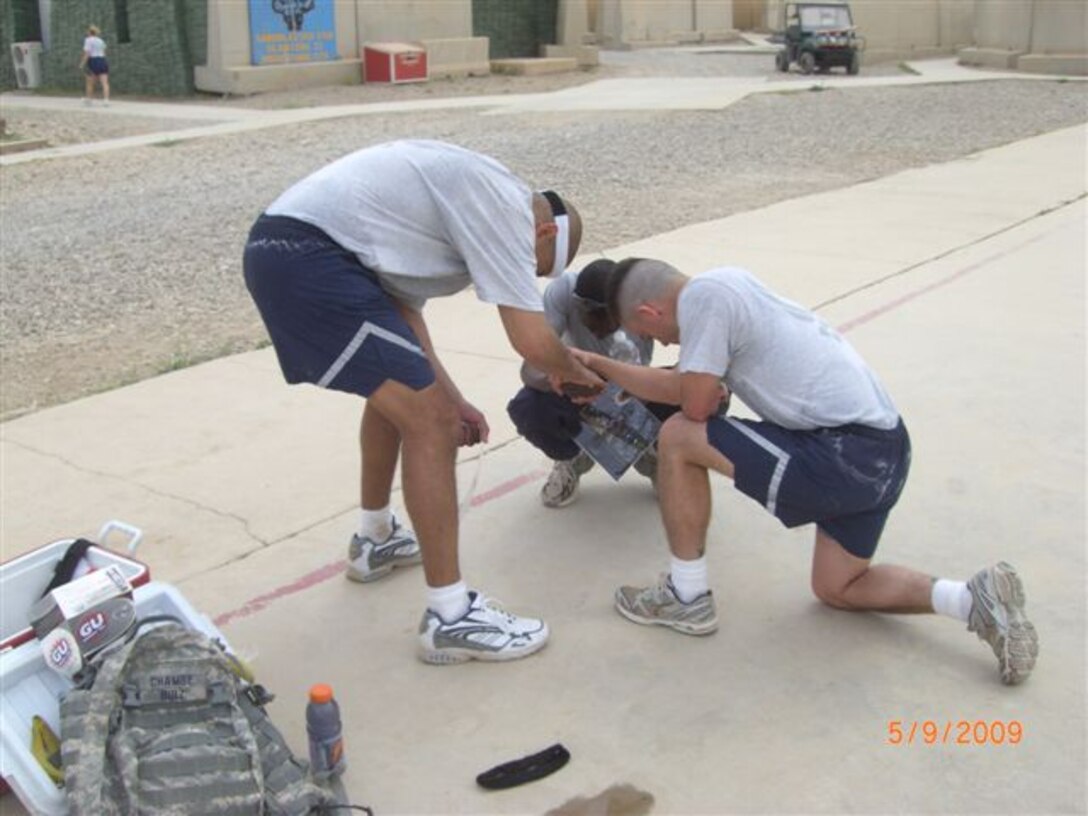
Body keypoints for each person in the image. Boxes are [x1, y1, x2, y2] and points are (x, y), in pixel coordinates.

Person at [573, 257, 1039, 685]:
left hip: (844, 453)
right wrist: (607, 370)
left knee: (678, 436)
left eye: (651, 333)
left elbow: (695, 404)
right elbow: (692, 386)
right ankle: (972, 598)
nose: (664, 343)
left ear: (650, 312)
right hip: (886, 452)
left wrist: (606, 369)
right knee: (839, 586)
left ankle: (686, 595)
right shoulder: (728, 287)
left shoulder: (705, 301)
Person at [243, 140, 603, 665]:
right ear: (544, 233)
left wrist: (454, 399)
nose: (528, 276)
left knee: (406, 401)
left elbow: (406, 327)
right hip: (306, 258)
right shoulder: (504, 204)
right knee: (429, 426)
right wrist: (576, 373)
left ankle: (375, 539)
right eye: (539, 265)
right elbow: (530, 339)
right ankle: (449, 617)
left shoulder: (458, 217)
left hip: (295, 250)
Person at [507, 258, 676, 507]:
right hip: (573, 380)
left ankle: (650, 452)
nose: (597, 326)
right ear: (577, 304)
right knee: (528, 408)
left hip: (625, 387)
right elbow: (531, 370)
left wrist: (604, 390)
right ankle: (572, 457)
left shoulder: (638, 314)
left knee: (703, 395)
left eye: (606, 318)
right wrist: (571, 376)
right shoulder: (564, 291)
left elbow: (640, 387)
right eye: (590, 315)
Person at [80, 25, 110, 105]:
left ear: (89, 32)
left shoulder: (88, 40)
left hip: (93, 60)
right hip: (102, 60)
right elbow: (104, 52)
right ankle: (106, 100)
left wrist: (82, 63)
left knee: (90, 82)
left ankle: (89, 100)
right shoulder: (101, 40)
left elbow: (87, 53)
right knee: (105, 82)